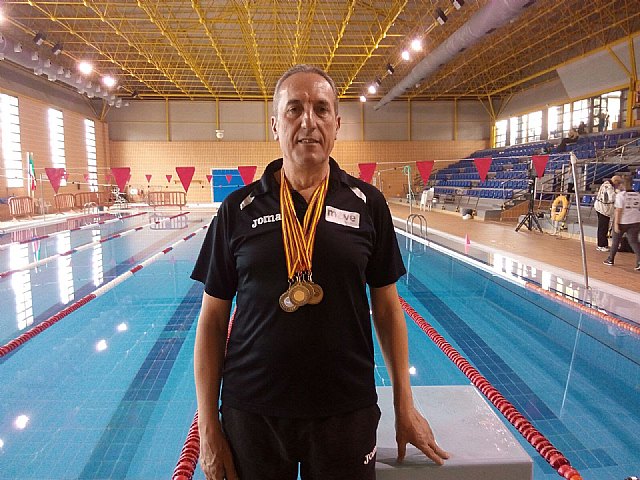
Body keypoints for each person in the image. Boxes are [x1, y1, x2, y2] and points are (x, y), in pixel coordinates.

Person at [191, 64, 449, 480]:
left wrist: (405, 404)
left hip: (345, 411)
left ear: (337, 124)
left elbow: (387, 310)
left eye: (321, 109)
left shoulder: (368, 203)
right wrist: (207, 428)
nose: (308, 121)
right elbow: (212, 320)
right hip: (253, 413)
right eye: (294, 109)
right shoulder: (237, 210)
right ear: (275, 124)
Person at [603, 175, 640, 270]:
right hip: (635, 221)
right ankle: (639, 262)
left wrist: (616, 224)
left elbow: (618, 210)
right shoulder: (637, 195)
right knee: (634, 242)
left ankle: (610, 259)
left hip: (623, 221)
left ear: (622, 185)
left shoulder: (621, 196)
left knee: (615, 241)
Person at [593, 176, 620, 251]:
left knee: (602, 227)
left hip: (601, 208)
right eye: (618, 183)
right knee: (603, 227)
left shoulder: (605, 184)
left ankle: (602, 244)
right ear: (615, 181)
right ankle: (601, 245)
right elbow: (612, 198)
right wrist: (618, 193)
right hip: (603, 209)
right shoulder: (609, 186)